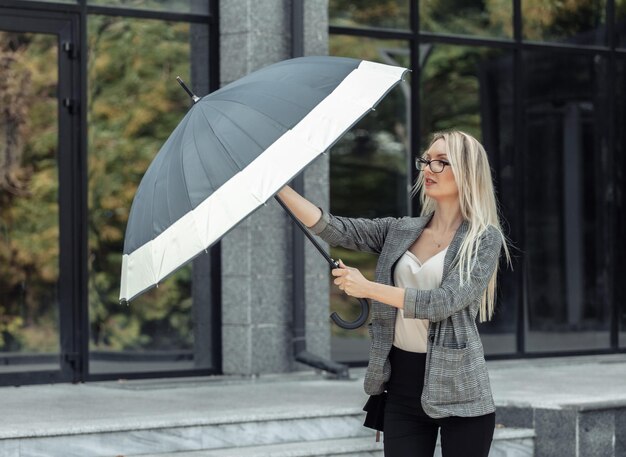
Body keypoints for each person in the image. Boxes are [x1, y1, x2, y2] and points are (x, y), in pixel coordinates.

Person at [277, 130, 512, 457]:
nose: (428, 169)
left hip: (460, 389)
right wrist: (277, 187)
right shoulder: (402, 230)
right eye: (427, 161)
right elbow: (334, 228)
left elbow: (443, 302)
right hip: (401, 385)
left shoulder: (484, 239)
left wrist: (368, 289)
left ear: (468, 172)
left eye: (442, 162)